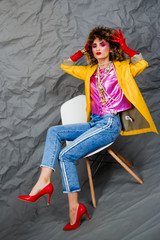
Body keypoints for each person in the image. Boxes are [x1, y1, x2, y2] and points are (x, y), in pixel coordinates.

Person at [18, 26, 158, 231]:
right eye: (94, 46)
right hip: (93, 122)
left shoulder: (122, 68)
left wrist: (126, 48)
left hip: (109, 124)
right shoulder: (89, 71)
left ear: (111, 47)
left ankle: (73, 209)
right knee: (53, 132)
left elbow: (142, 63)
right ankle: (44, 182)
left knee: (66, 155)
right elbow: (65, 65)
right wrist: (82, 51)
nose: (98, 48)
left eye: (103, 44)